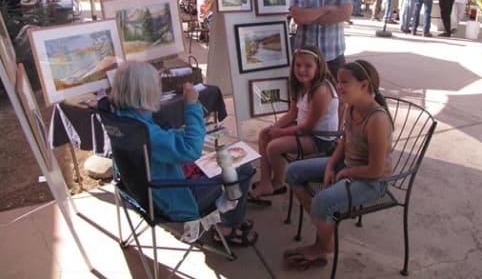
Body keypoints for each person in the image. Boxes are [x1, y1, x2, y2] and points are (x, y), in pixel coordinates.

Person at [109, 61, 258, 246]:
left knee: (221, 160)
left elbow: (161, 142)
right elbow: (191, 151)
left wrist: (177, 134)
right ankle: (228, 228)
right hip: (172, 199)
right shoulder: (146, 133)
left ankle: (230, 219)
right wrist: (192, 105)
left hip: (138, 192)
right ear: (147, 91)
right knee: (243, 169)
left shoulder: (122, 120)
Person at [283, 60, 393, 270]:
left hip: (371, 181)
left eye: (344, 82)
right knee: (292, 172)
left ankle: (322, 244)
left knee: (322, 201)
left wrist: (346, 173)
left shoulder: (377, 119)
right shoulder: (353, 106)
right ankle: (324, 227)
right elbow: (344, 139)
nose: (339, 86)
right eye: (337, 81)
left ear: (364, 85)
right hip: (347, 165)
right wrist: (331, 165)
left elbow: (376, 170)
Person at [249, 47, 339, 201]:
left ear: (318, 67)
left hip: (320, 139)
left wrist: (281, 133)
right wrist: (275, 128)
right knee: (265, 134)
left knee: (274, 147)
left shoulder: (321, 91)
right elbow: (293, 113)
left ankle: (278, 183)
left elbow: (309, 127)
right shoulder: (299, 84)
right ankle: (265, 182)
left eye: (308, 66)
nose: (301, 70)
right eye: (298, 65)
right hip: (304, 130)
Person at [290, 0, 353, 78]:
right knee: (305, 96)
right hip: (305, 58)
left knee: (334, 95)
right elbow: (298, 18)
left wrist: (308, 17)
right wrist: (327, 9)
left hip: (333, 56)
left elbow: (345, 14)